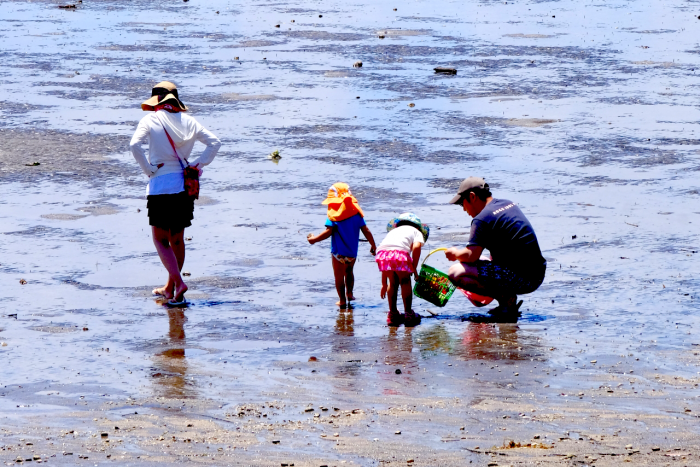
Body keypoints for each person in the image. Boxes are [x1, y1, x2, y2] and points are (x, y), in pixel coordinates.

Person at [130, 81, 221, 306]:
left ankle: (178, 283)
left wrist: (149, 170)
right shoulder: (189, 121)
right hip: (183, 187)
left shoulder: (150, 119)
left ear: (157, 102)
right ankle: (170, 288)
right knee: (177, 240)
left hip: (160, 187)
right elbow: (215, 143)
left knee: (160, 240)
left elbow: (134, 145)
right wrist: (198, 165)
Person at [445, 177, 546, 316]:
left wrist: (455, 253)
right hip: (537, 273)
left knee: (455, 272)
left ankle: (506, 300)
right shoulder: (507, 204)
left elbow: (471, 255)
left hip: (525, 279)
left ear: (472, 197)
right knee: (481, 260)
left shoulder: (482, 218)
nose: (464, 210)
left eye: (463, 204)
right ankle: (506, 300)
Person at [307, 183, 377, 308]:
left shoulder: (335, 215)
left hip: (338, 253)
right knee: (349, 272)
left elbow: (328, 232)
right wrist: (373, 245)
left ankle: (342, 300)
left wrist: (314, 239)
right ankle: (349, 294)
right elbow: (366, 230)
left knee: (339, 277)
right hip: (352, 253)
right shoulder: (356, 213)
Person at [375, 213, 429, 327]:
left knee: (392, 282)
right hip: (400, 255)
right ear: (418, 227)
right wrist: (414, 268)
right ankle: (408, 314)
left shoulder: (393, 232)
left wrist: (384, 284)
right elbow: (416, 247)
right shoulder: (416, 232)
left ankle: (393, 314)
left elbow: (388, 251)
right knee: (405, 281)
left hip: (382, 254)